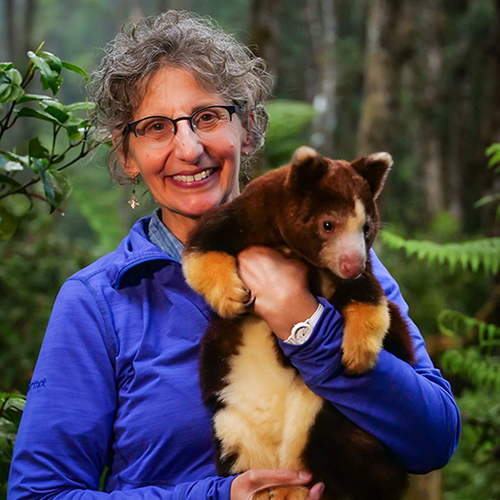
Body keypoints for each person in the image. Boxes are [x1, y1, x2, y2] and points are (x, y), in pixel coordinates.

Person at [8, 10, 460, 500]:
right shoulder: (99, 301)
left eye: (207, 117)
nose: (189, 147)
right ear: (126, 153)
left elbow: (433, 439)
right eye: (156, 127)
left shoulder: (337, 256)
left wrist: (308, 326)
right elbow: (40, 493)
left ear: (247, 129)